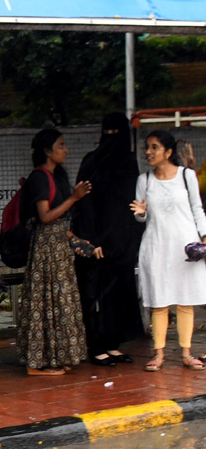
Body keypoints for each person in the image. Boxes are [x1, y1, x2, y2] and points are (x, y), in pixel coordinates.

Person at [17, 129, 100, 376]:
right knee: (46, 302)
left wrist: (75, 239)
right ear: (47, 151)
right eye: (61, 145)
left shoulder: (54, 177)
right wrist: (74, 198)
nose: (65, 149)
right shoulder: (40, 178)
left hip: (58, 247)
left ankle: (53, 357)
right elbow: (45, 217)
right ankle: (36, 364)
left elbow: (56, 223)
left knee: (58, 302)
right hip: (46, 250)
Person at [130, 129, 206, 372]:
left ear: (168, 151)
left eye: (154, 147)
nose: (148, 152)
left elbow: (197, 209)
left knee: (186, 301)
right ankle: (159, 354)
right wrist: (140, 213)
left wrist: (204, 237)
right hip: (156, 246)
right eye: (147, 147)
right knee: (159, 300)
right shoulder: (145, 180)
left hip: (185, 248)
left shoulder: (187, 176)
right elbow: (141, 218)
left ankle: (186, 353)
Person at [74, 113, 144, 367]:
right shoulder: (91, 162)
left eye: (116, 133)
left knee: (118, 295)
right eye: (108, 132)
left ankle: (113, 344)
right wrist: (91, 241)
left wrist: (129, 241)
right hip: (99, 244)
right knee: (95, 294)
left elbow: (130, 205)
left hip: (123, 244)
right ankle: (96, 346)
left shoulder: (129, 163)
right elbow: (85, 204)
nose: (111, 138)